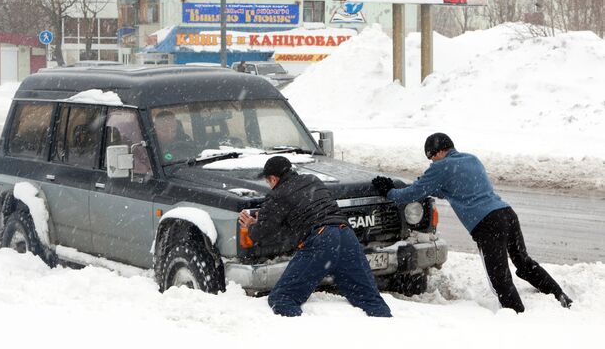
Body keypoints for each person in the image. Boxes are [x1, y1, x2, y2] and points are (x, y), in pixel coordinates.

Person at [372, 133, 572, 313]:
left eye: (432, 156)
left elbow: (412, 194)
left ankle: (516, 315)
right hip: (506, 214)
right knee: (523, 261)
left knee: (499, 278)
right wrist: (427, 185)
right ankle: (559, 294)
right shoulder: (471, 159)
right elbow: (451, 189)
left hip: (488, 224)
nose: (431, 162)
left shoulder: (441, 167)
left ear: (441, 151)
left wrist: (389, 191)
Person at [238, 156, 392, 317]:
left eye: (268, 181)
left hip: (322, 240)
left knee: (282, 298)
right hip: (346, 236)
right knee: (369, 299)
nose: (269, 186)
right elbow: (304, 212)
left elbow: (261, 233)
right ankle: (386, 328)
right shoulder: (312, 180)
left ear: (273, 178)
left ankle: (306, 336)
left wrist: (251, 225)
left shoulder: (277, 195)